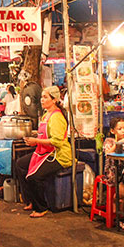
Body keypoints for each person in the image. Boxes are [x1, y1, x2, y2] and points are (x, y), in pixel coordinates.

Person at [17, 86, 72, 218]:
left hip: (58, 155)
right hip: (43, 151)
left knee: (34, 176)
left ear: (54, 100)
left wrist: (36, 141)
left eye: (45, 97)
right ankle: (31, 200)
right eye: (42, 97)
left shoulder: (57, 117)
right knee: (20, 164)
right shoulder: (47, 115)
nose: (41, 100)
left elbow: (57, 141)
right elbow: (45, 134)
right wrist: (35, 135)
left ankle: (41, 207)